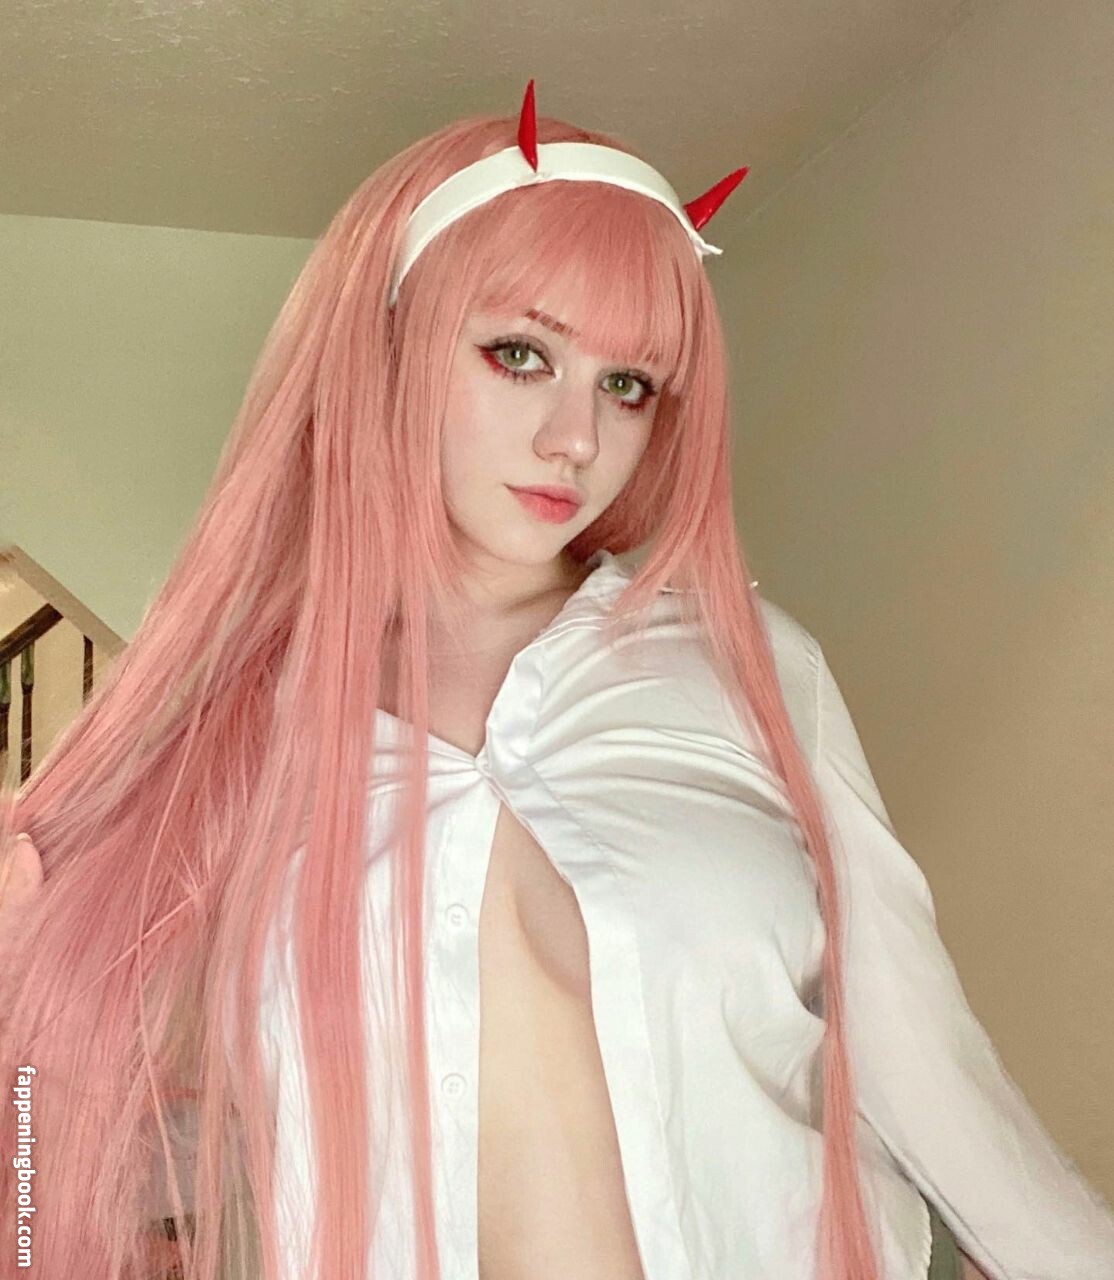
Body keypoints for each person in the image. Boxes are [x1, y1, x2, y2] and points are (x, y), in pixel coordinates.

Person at [2, 80, 1112, 1280]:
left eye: (626, 383)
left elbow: (918, 1057)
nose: (575, 438)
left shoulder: (747, 661)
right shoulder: (246, 730)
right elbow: (170, 1138)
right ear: (387, 346)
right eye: (519, 354)